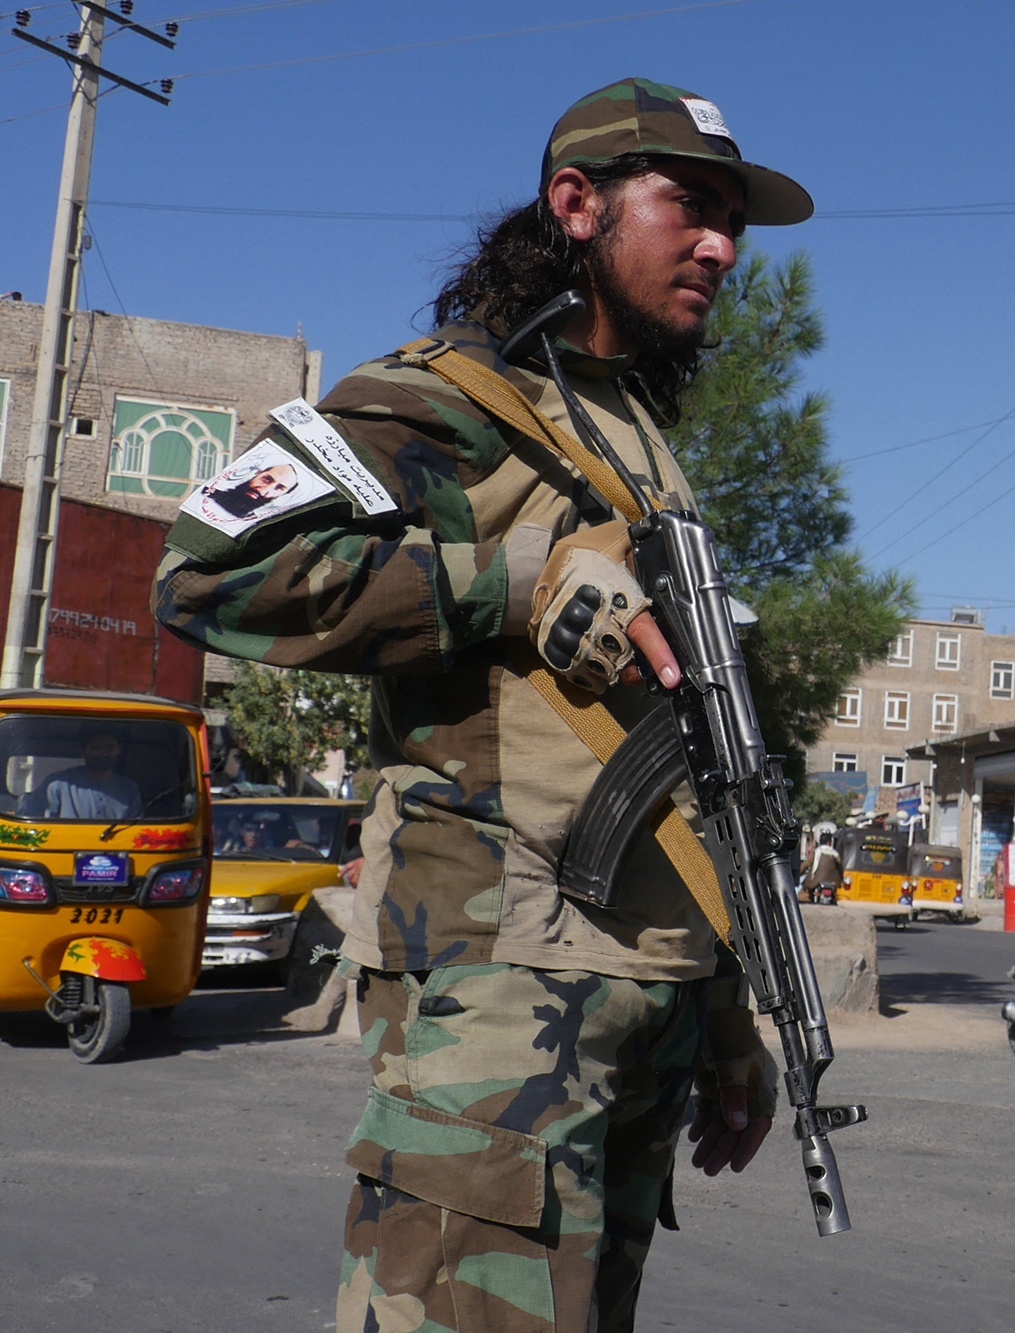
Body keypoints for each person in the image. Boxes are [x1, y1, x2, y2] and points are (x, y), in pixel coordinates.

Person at [154, 77, 813, 1333]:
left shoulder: (635, 436)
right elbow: (206, 573)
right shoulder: (443, 397)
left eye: (734, 219)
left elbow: (688, 769)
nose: (722, 246)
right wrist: (506, 586)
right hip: (500, 980)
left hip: (643, 989)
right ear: (577, 203)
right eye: (690, 206)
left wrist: (726, 1010)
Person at [27, 728, 142, 819]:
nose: (103, 753)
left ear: (119, 750)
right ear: (82, 751)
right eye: (96, 747)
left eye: (109, 747)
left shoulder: (129, 788)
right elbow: (32, 821)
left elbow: (137, 827)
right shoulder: (58, 784)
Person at [802, 830, 841, 905]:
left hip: (814, 882)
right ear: (829, 842)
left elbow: (805, 865)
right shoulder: (835, 854)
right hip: (833, 883)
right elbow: (840, 868)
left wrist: (797, 873)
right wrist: (841, 879)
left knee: (803, 895)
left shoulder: (815, 853)